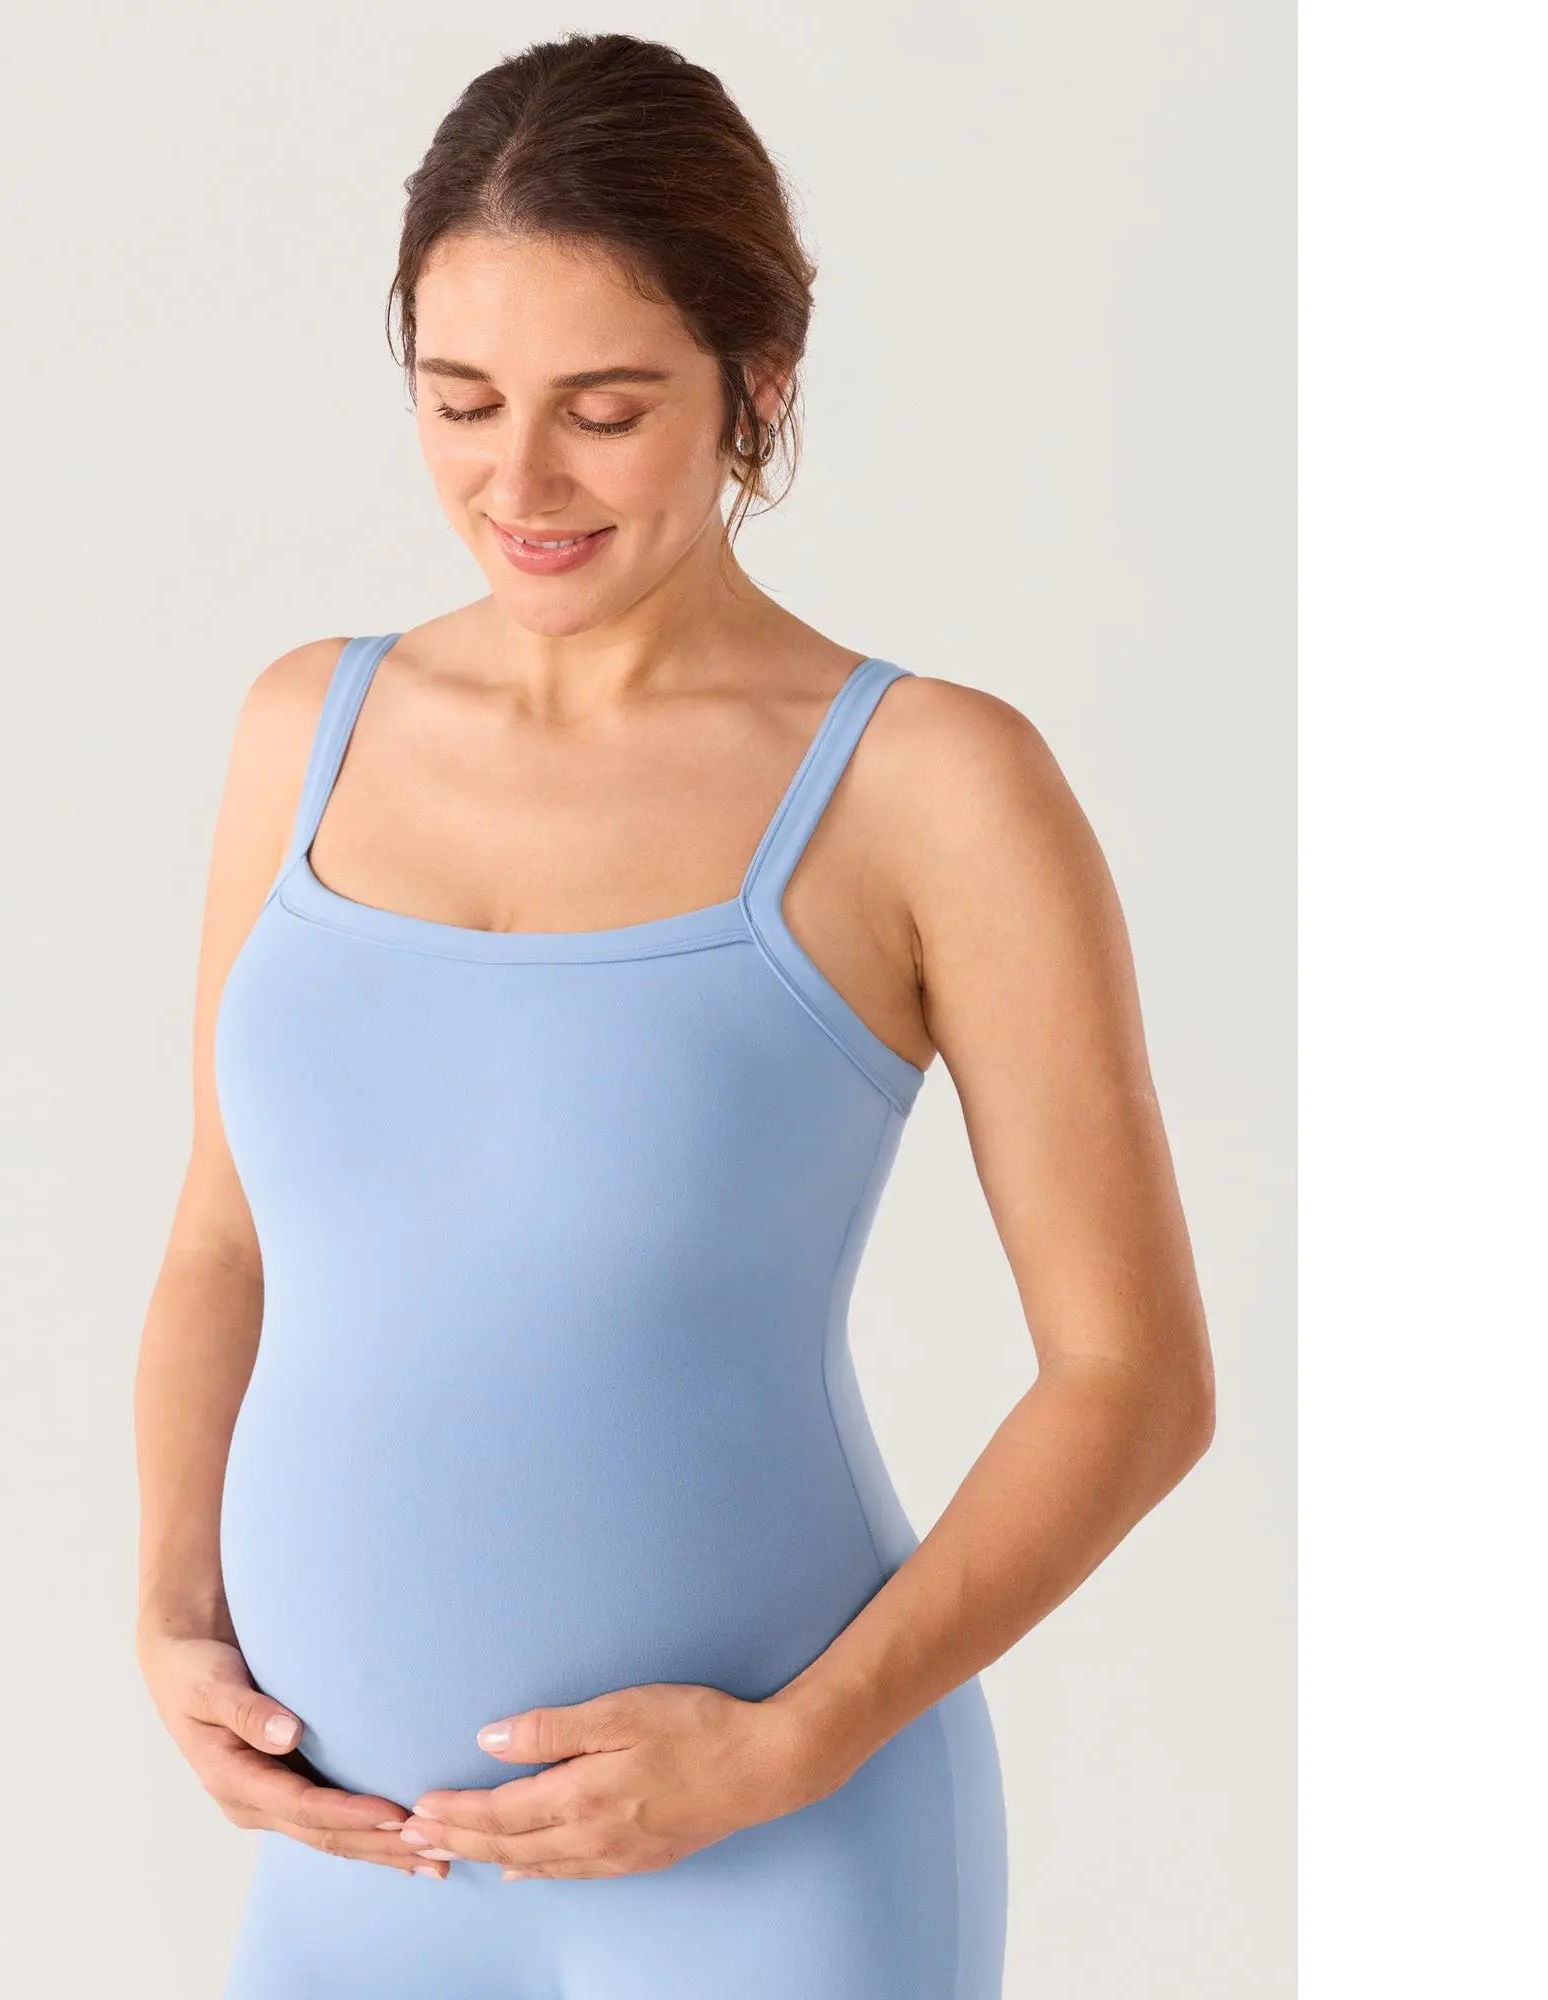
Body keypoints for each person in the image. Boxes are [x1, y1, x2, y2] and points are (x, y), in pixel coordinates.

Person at [133, 31, 1214, 2000]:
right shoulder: (304, 727)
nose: (517, 482)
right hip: (351, 1870)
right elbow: (226, 1238)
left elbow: (1131, 1378)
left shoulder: (930, 785)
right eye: (459, 401)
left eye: (605, 411)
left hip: (775, 1873)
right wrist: (172, 1613)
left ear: (757, 384)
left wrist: (789, 1748)